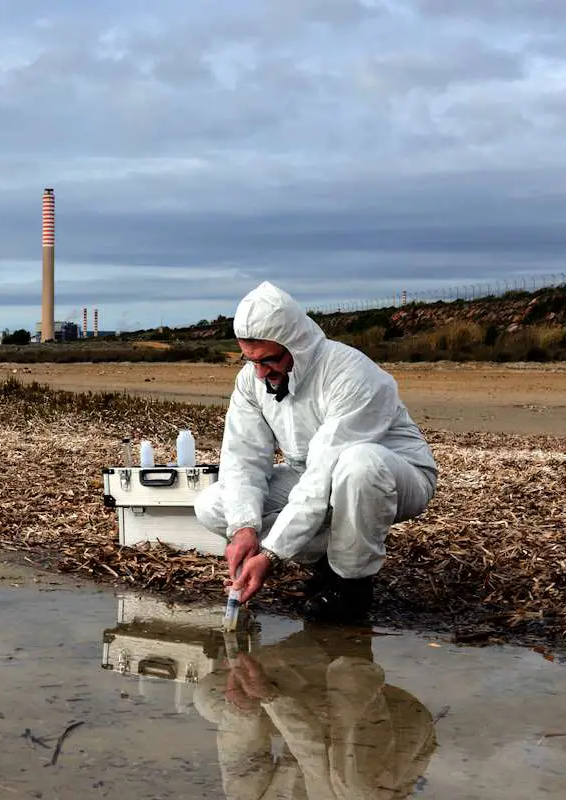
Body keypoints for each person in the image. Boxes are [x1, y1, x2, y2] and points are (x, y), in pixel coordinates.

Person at [194, 281, 438, 622]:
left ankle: (352, 585)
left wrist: (271, 555)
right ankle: (328, 563)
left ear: (297, 345)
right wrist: (244, 530)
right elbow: (243, 458)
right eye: (251, 361)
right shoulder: (252, 380)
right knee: (214, 505)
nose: (261, 373)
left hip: (394, 471)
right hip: (307, 471)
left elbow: (325, 470)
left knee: (358, 466)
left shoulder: (350, 373)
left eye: (269, 361)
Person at [192, 623, 438, 799]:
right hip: (396, 725)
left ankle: (322, 640)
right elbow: (313, 754)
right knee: (353, 790)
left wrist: (243, 708)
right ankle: (354, 654)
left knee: (210, 697)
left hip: (326, 726)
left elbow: (242, 763)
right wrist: (270, 697)